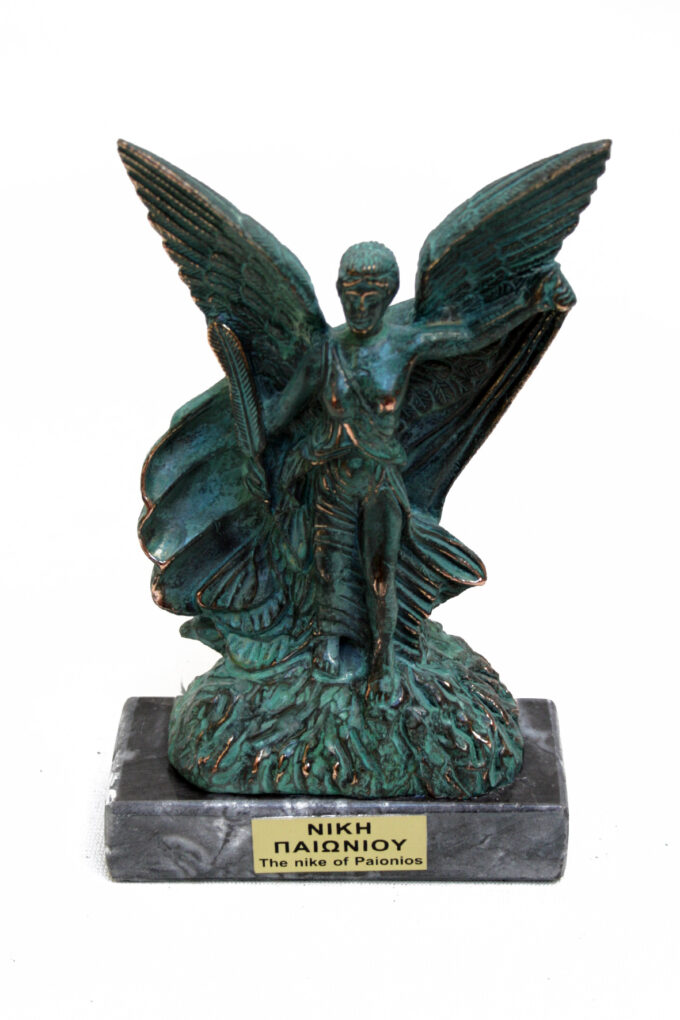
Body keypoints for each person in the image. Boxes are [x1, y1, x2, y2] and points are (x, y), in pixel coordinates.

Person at [265, 241, 551, 698]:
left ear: (388, 295)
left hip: (379, 481)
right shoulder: (326, 352)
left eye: (371, 295)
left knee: (381, 576)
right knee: (331, 570)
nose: (360, 305)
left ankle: (384, 660)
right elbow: (281, 413)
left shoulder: (403, 343)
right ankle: (326, 647)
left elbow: (468, 335)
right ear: (338, 292)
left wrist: (529, 305)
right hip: (331, 480)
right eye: (351, 293)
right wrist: (253, 415)